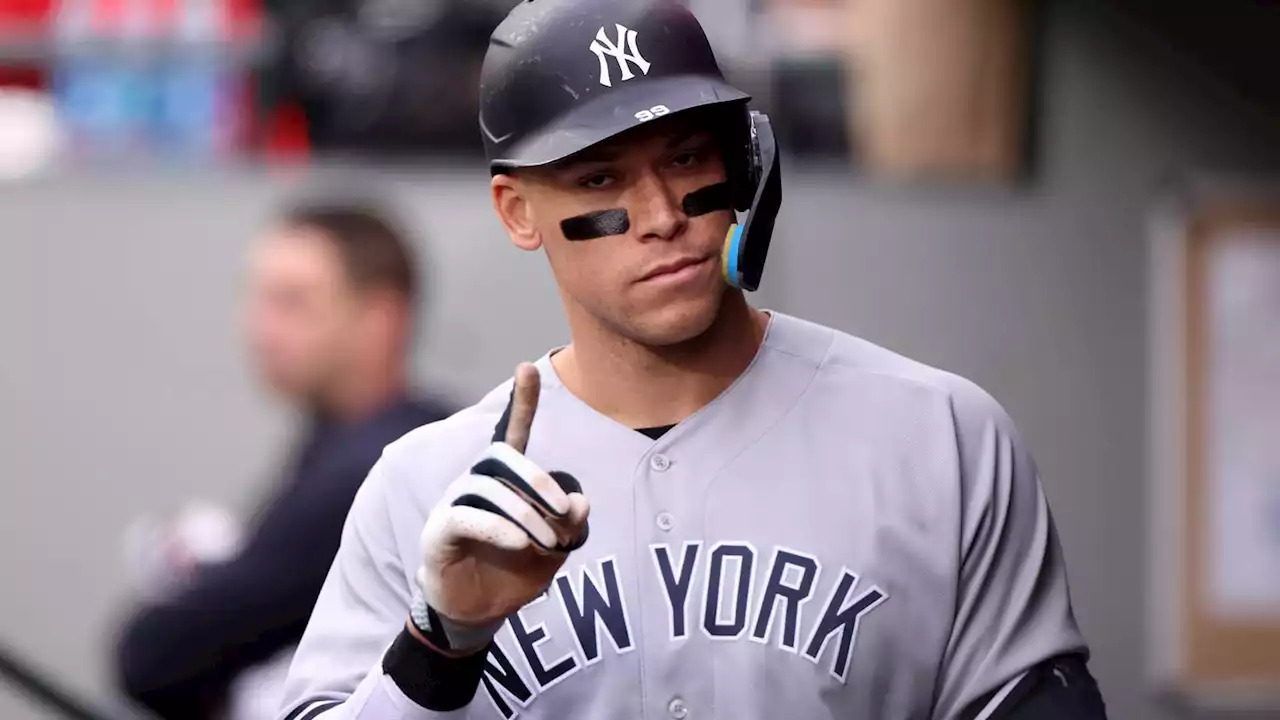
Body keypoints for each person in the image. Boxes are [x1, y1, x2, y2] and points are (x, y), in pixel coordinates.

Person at [277, 1, 1109, 718]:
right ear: (518, 211)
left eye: (684, 158)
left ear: (743, 160)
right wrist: (439, 647)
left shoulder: (943, 437)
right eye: (600, 178)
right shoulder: (424, 487)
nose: (661, 213)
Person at [114, 201, 454, 720]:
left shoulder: (375, 469)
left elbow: (153, 657)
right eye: (256, 298)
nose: (260, 329)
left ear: (381, 318)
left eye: (293, 303)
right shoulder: (360, 439)